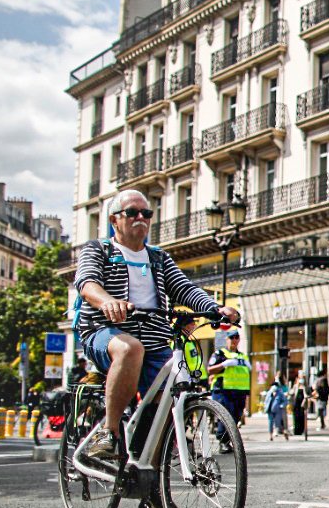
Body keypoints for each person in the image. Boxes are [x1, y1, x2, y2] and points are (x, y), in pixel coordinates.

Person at [74, 190, 238, 462]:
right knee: (130, 349)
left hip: (155, 339)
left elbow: (183, 288)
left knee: (171, 392)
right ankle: (109, 432)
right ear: (115, 219)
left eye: (146, 213)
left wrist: (214, 308)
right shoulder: (98, 249)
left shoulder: (158, 258)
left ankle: (149, 475)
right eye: (133, 213)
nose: (141, 217)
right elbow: (87, 283)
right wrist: (107, 302)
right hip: (106, 332)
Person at [207, 331, 251, 432]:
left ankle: (228, 441)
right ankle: (223, 442)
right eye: (232, 338)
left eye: (236, 337)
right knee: (226, 417)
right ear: (227, 339)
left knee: (235, 418)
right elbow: (210, 370)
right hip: (223, 390)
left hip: (240, 391)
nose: (234, 340)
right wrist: (224, 364)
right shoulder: (220, 353)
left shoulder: (243, 356)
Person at [262, 372, 289, 440]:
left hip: (278, 410)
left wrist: (281, 406)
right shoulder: (269, 393)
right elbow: (266, 401)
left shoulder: (280, 392)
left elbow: (285, 401)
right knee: (271, 423)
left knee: (278, 423)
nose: (274, 388)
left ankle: (283, 432)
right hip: (270, 410)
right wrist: (265, 408)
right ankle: (271, 435)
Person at [291, 373, 309, 437]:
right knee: (296, 417)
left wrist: (304, 402)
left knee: (302, 417)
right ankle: (296, 430)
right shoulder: (295, 386)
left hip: (302, 405)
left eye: (302, 378)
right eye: (300, 378)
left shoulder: (306, 387)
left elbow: (307, 395)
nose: (301, 380)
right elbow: (292, 393)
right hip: (296, 404)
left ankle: (301, 430)